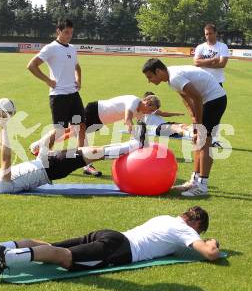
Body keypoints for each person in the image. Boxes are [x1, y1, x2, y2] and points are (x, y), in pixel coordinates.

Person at [0, 206, 221, 284]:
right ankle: (6, 258)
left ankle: (3, 246)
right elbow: (210, 254)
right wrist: (211, 242)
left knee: (50, 247)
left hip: (110, 234)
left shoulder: (166, 218)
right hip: (120, 249)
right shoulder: (184, 230)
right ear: (196, 225)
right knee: (63, 257)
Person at [0, 118, 146, 194]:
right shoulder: (2, 186)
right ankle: (135, 144)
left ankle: (132, 144)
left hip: (44, 161)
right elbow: (5, 159)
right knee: (93, 152)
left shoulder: (2, 181)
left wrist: (42, 147)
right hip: (51, 169)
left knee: (51, 135)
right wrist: (3, 128)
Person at [142, 59, 227, 197]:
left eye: (150, 77)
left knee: (204, 142)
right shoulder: (171, 79)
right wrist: (194, 120)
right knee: (197, 141)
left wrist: (198, 125)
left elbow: (197, 98)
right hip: (209, 101)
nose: (149, 81)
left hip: (214, 101)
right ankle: (194, 180)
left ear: (158, 71)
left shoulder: (174, 77)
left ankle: (202, 185)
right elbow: (187, 99)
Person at [28, 94, 157, 176]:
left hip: (100, 120)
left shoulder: (141, 111)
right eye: (150, 110)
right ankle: (87, 166)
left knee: (70, 132)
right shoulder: (134, 101)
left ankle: (37, 145)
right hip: (95, 111)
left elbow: (147, 120)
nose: (150, 113)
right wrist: (129, 125)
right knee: (72, 133)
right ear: (147, 102)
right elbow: (127, 116)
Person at [27, 19, 94, 174]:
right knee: (60, 131)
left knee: (81, 127)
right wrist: (48, 80)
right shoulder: (51, 48)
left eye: (71, 32)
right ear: (58, 31)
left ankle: (84, 163)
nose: (69, 35)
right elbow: (31, 65)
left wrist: (79, 80)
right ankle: (40, 158)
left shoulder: (72, 48)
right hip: (59, 97)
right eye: (66, 32)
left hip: (73, 95)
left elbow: (77, 66)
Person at [193, 24, 230, 148]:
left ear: (216, 33)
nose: (208, 36)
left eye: (210, 33)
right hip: (201, 84)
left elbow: (222, 64)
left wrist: (204, 62)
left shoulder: (222, 46)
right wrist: (213, 60)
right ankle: (199, 136)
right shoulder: (200, 47)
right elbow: (196, 63)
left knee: (215, 114)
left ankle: (214, 139)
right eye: (206, 34)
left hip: (216, 84)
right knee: (200, 112)